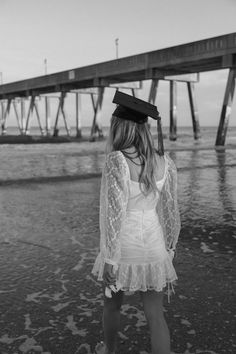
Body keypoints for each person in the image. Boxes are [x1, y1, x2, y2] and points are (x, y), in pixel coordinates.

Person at [92, 91, 181, 354]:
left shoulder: (117, 161)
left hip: (123, 248)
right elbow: (171, 211)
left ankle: (109, 350)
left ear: (120, 127)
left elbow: (113, 214)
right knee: (155, 315)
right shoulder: (164, 162)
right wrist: (169, 248)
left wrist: (110, 258)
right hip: (154, 247)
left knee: (112, 305)